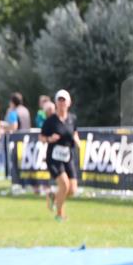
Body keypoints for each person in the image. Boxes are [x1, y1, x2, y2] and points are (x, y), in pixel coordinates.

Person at [39, 89, 80, 221]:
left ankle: (53, 197)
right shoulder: (50, 120)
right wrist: (50, 139)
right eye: (59, 100)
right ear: (56, 103)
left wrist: (77, 141)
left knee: (72, 190)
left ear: (69, 102)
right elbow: (41, 137)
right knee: (64, 185)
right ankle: (59, 214)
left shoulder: (72, 118)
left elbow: (74, 132)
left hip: (68, 156)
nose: (62, 102)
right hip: (54, 157)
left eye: (64, 100)